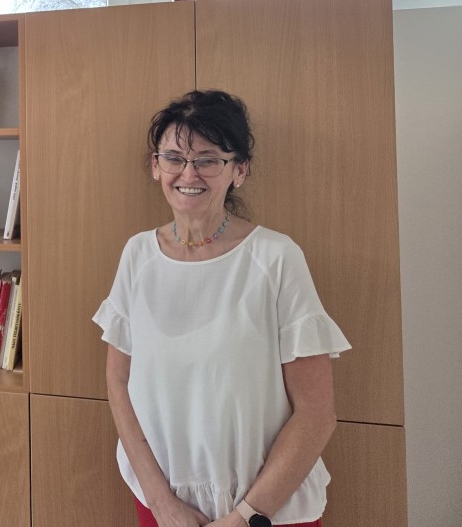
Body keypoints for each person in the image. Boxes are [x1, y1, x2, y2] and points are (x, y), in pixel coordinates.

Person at [93, 89, 350, 527]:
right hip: (162, 505)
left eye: (208, 160)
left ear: (239, 170)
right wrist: (161, 502)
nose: (188, 173)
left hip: (268, 510)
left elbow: (316, 413)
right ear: (156, 166)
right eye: (174, 158)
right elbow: (119, 382)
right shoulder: (137, 255)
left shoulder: (276, 259)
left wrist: (246, 515)